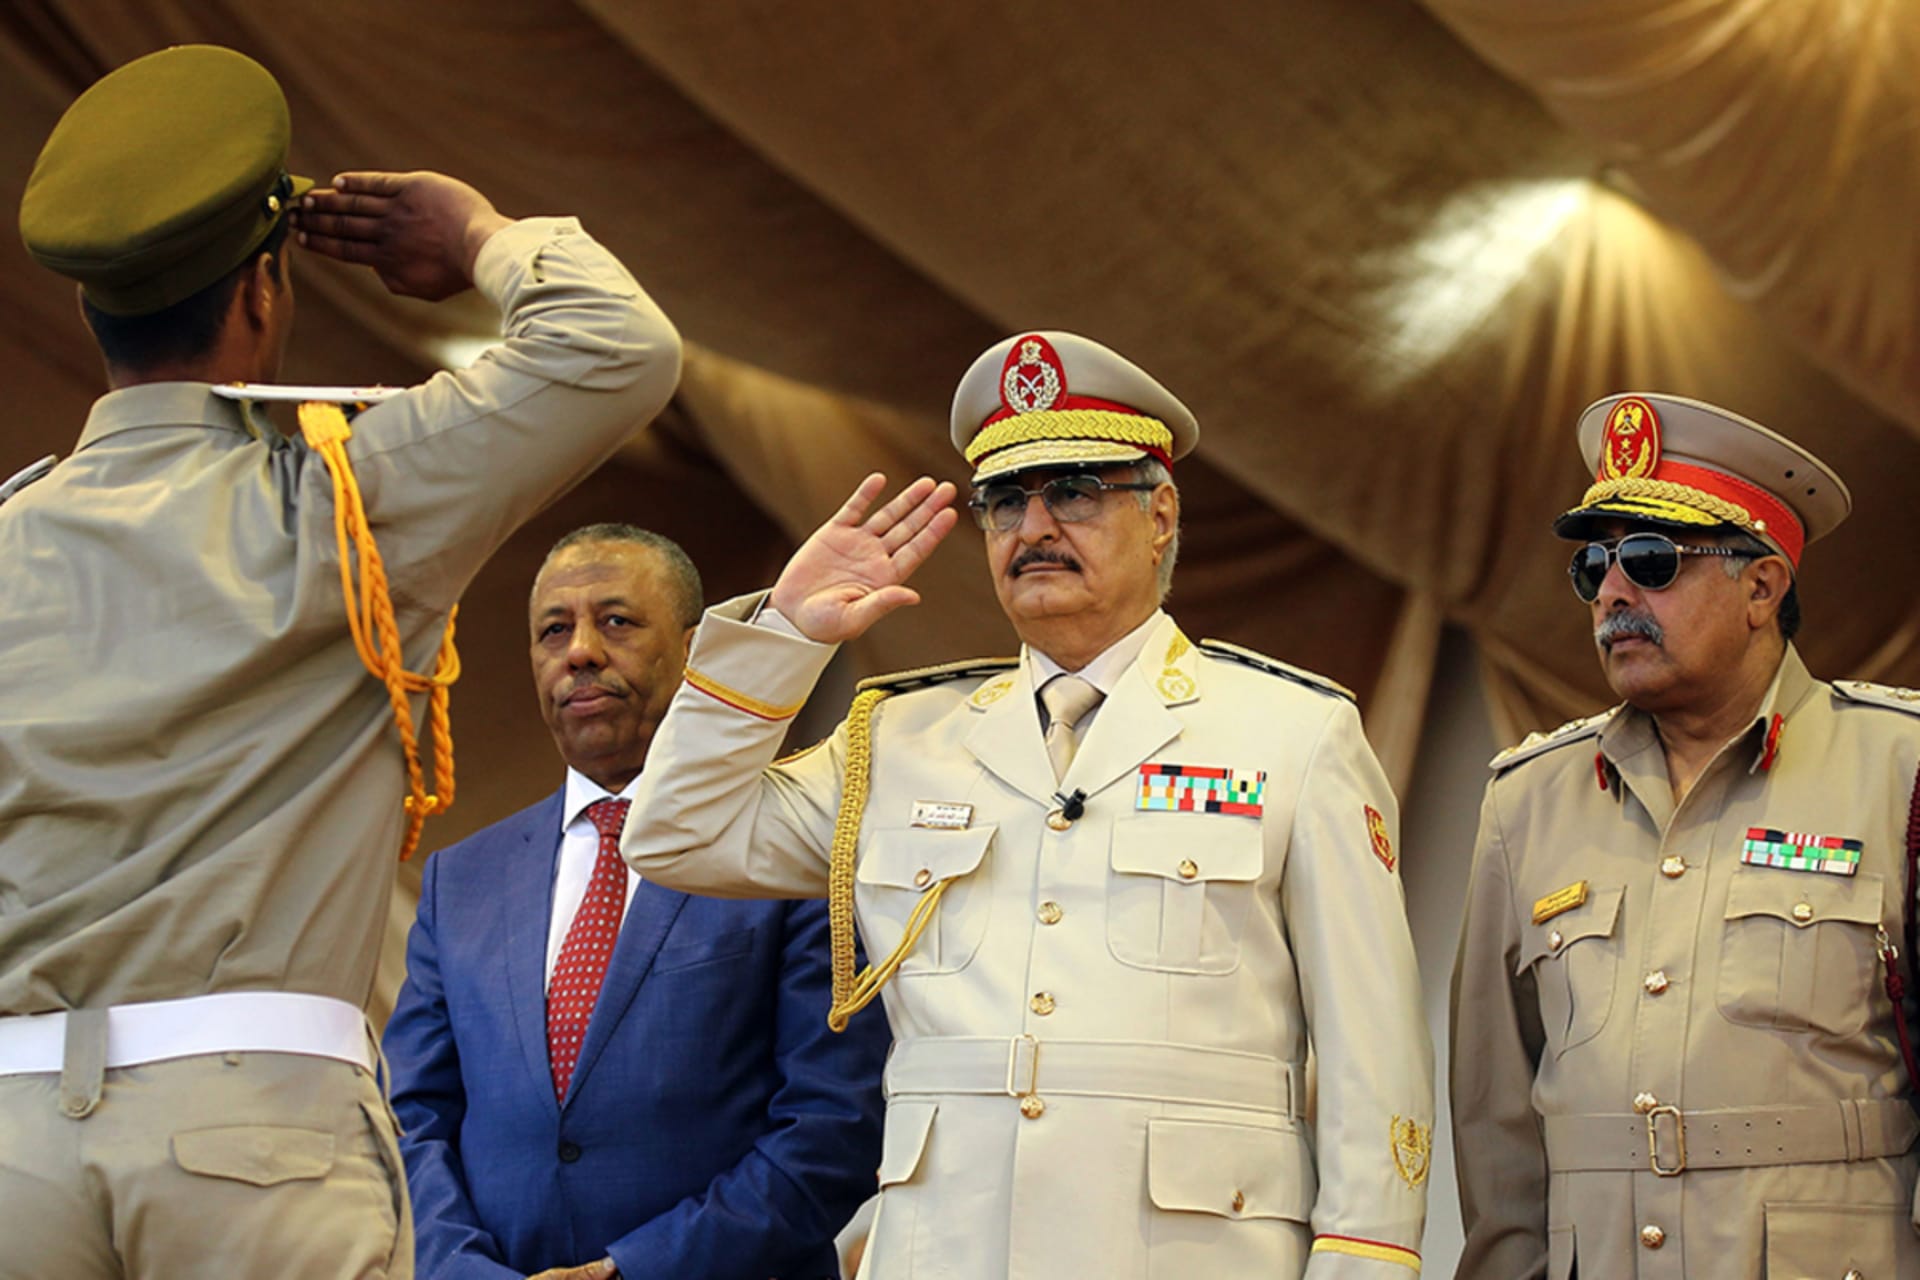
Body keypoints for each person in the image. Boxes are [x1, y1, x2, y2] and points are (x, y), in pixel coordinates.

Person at [0, 45, 680, 1278]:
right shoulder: (345, 496)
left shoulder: (10, 532)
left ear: (91, 309)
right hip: (249, 1126)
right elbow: (616, 345)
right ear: (262, 294)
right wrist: (474, 233)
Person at [621, 331, 1434, 1277]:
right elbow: (677, 833)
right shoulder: (897, 739)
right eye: (1005, 500)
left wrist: (1366, 1262)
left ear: (1162, 513)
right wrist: (783, 639)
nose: (1034, 526)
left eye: (1075, 491)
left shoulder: (1294, 733)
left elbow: (1373, 1050)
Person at [1450, 393, 1920, 1278]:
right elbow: (1498, 1126)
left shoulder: (1899, 772)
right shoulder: (1527, 802)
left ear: (1761, 586)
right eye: (1594, 567)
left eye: (1653, 561)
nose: (1614, 593)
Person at [384, 524, 889, 1280]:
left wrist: (633, 1270)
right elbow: (411, 1119)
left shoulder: (790, 847)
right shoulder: (462, 879)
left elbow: (832, 1124)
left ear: (693, 652)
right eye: (554, 630)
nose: (580, 650)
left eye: (616, 621)